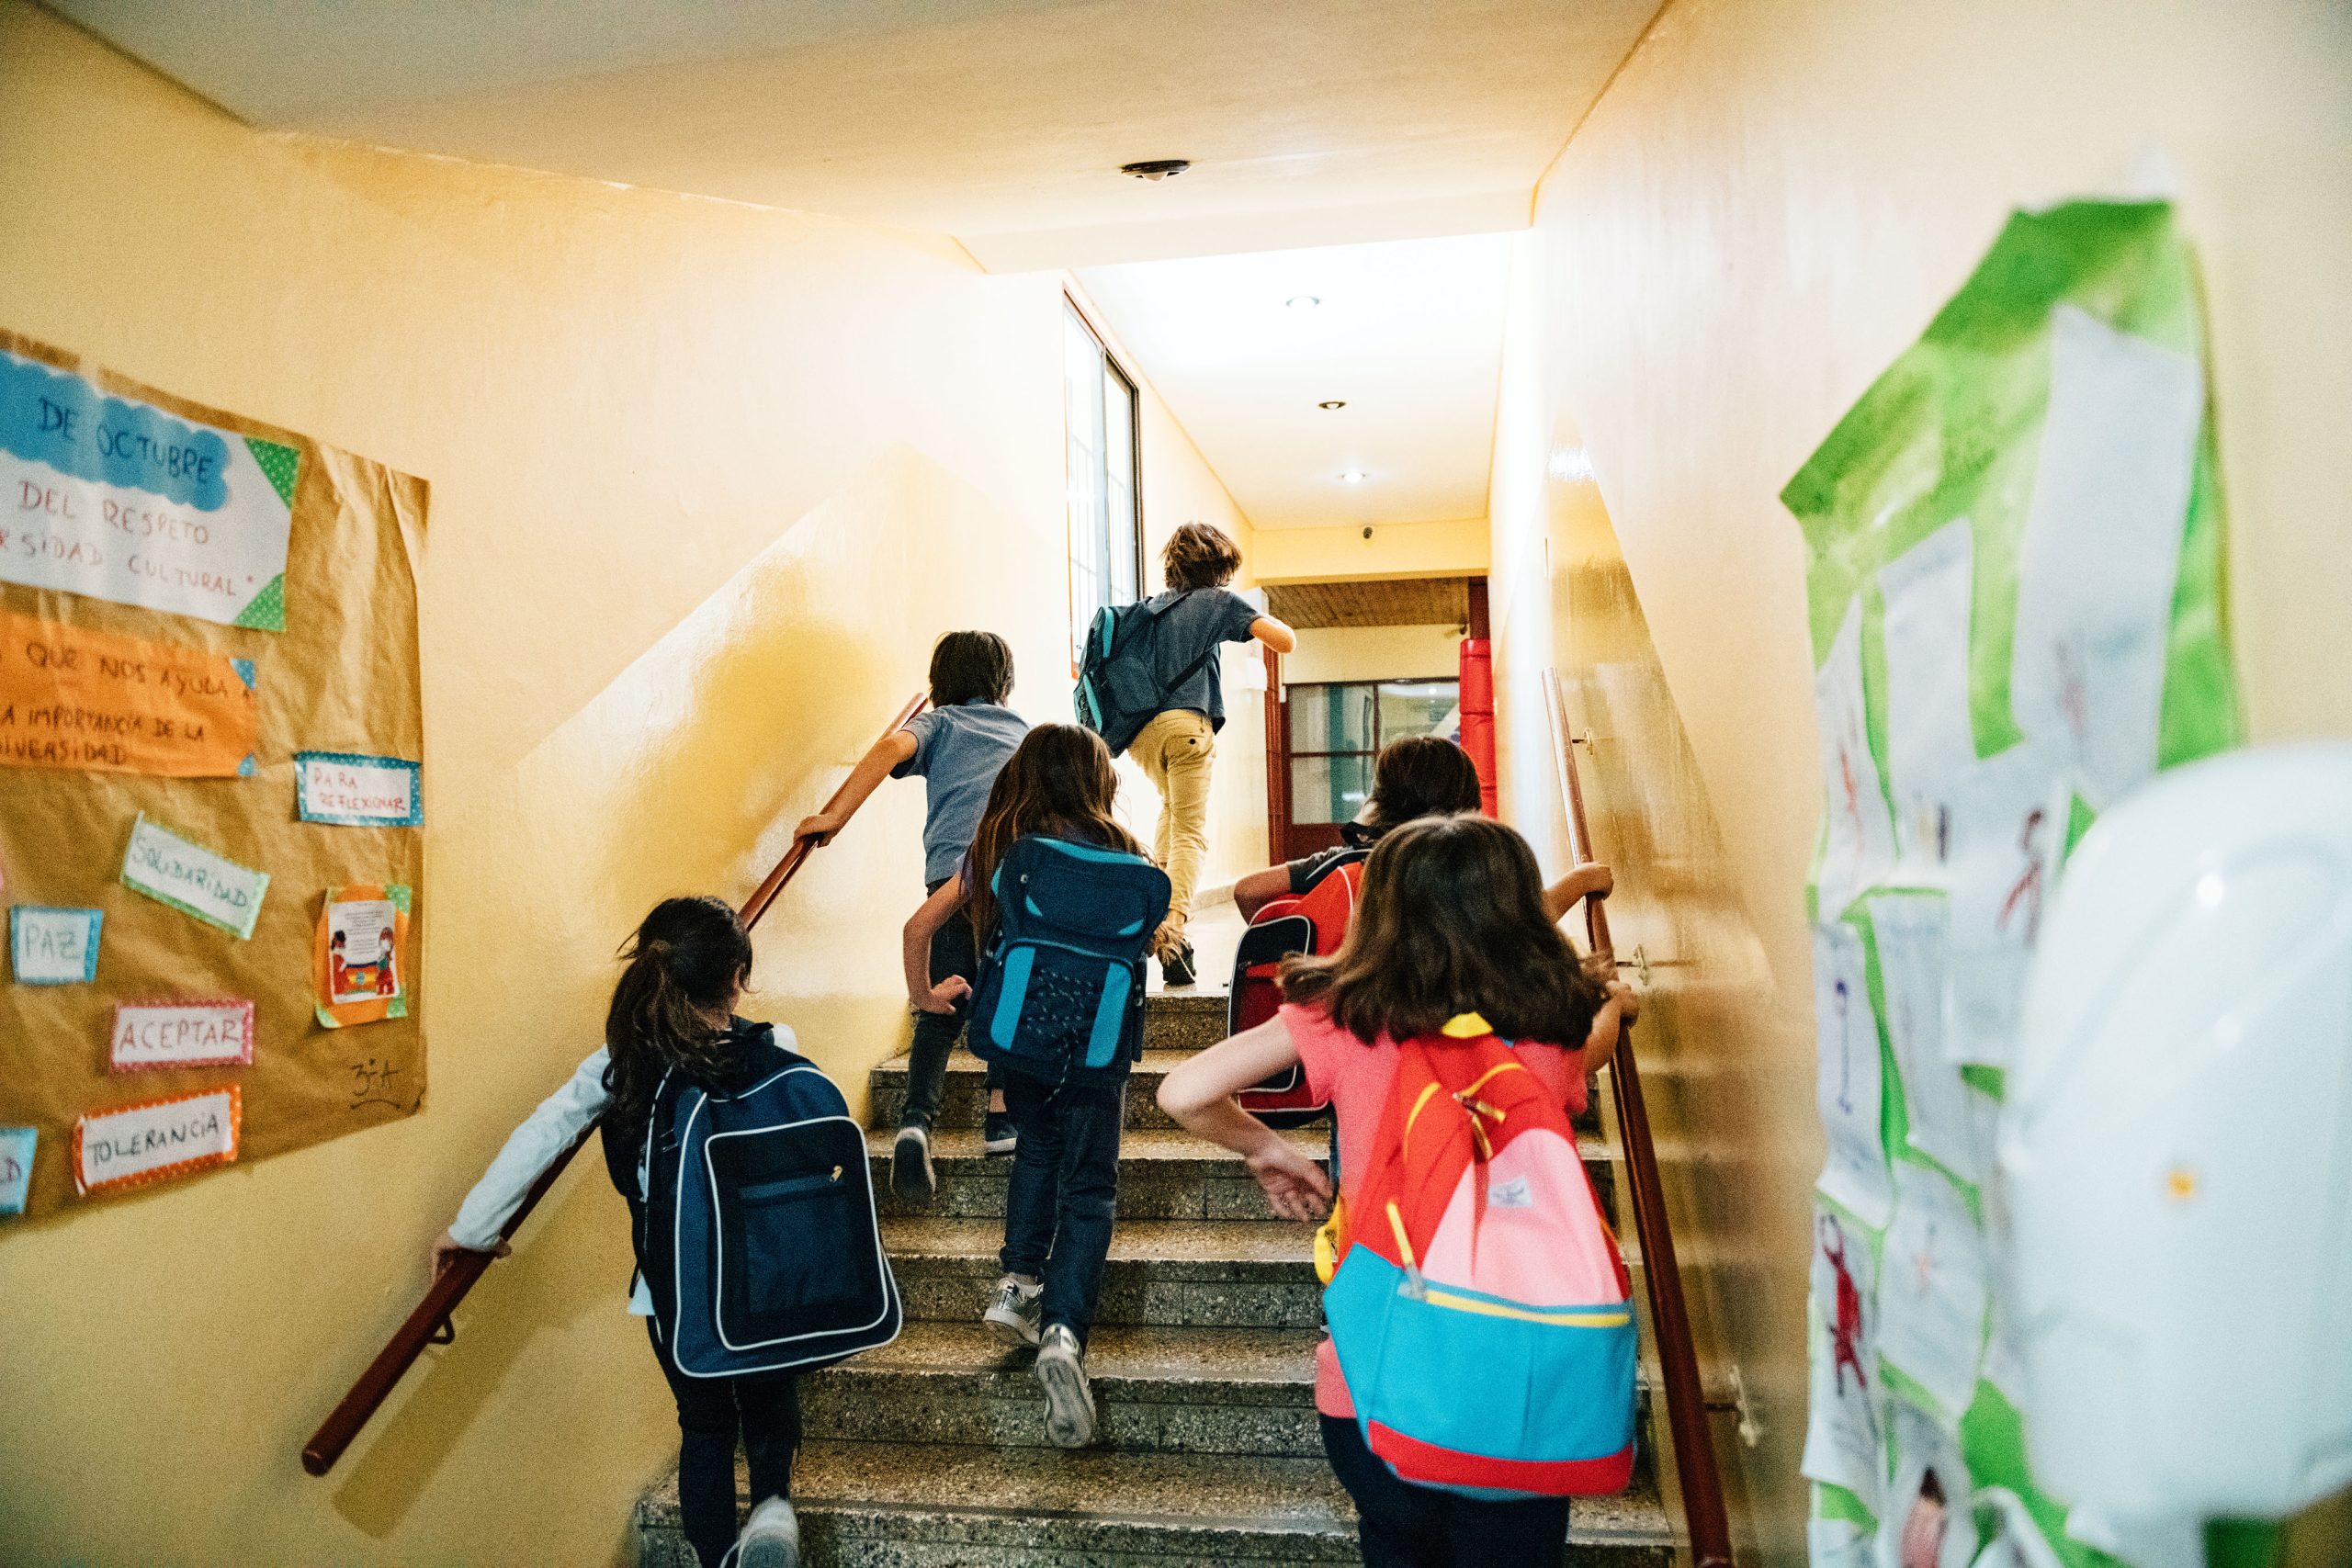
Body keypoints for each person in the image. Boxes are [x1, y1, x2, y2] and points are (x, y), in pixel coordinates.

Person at [1157, 816, 1640, 1568]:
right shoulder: (1555, 1023)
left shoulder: (1346, 1016)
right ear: (1515, 910)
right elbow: (1593, 1051)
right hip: (1520, 1379)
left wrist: (1268, 1149)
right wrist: (1618, 1006)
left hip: (1371, 1385)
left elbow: (1184, 1089)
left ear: (1383, 912)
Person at [430, 897, 806, 1568]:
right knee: (770, 1400)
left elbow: (541, 1134)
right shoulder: (774, 1047)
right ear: (737, 977)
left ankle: (719, 1556)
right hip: (766, 1276)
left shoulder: (621, 1061)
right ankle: (773, 1503)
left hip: (672, 1288)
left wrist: (472, 1228)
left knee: (705, 1425)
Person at [901, 724, 1149, 1449]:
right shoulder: (1122, 851)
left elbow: (920, 927)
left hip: (1021, 1041)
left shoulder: (1001, 850)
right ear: (1096, 780)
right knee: (1092, 1190)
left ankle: (1016, 1282)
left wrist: (928, 998)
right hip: (1098, 1047)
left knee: (1036, 1148)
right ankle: (1064, 1333)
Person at [795, 631, 1029, 1200]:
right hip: (1012, 875)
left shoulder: (938, 722)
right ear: (1003, 681)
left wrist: (835, 816)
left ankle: (915, 1123)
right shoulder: (1021, 730)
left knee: (939, 1002)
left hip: (948, 880)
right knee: (1007, 993)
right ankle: (1001, 1119)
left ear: (940, 680)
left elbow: (886, 750)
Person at [1127, 521, 1295, 986]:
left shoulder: (1149, 608)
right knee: (1192, 832)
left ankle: (1156, 907)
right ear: (1220, 566)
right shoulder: (1218, 602)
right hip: (1187, 728)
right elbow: (1285, 641)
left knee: (1171, 815)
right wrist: (1249, 610)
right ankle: (1173, 929)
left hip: (1141, 735)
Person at [1231, 734, 1615, 923]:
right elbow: (1530, 919)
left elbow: (1248, 891)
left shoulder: (1351, 860)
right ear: (1464, 795)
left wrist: (1306, 940)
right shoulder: (1472, 862)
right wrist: (1582, 880)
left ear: (1382, 795)